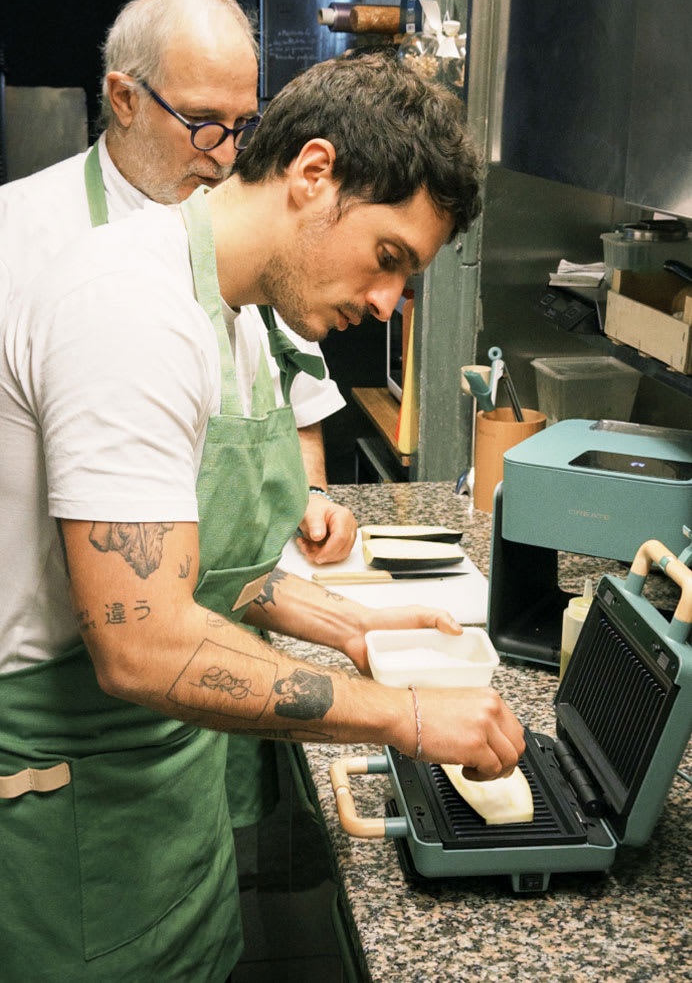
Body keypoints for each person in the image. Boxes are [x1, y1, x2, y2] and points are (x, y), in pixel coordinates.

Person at [0, 51, 524, 982]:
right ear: (314, 172)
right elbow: (142, 642)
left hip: (163, 797)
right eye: (388, 258)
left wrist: (350, 625)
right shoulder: (129, 307)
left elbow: (206, 566)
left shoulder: (234, 314)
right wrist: (405, 715)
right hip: (68, 806)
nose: (386, 303)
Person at [0, 0, 358, 567]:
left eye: (244, 125)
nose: (225, 153)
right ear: (124, 99)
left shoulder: (255, 237)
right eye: (202, 120)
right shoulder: (17, 232)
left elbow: (297, 406)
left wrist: (312, 497)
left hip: (220, 597)